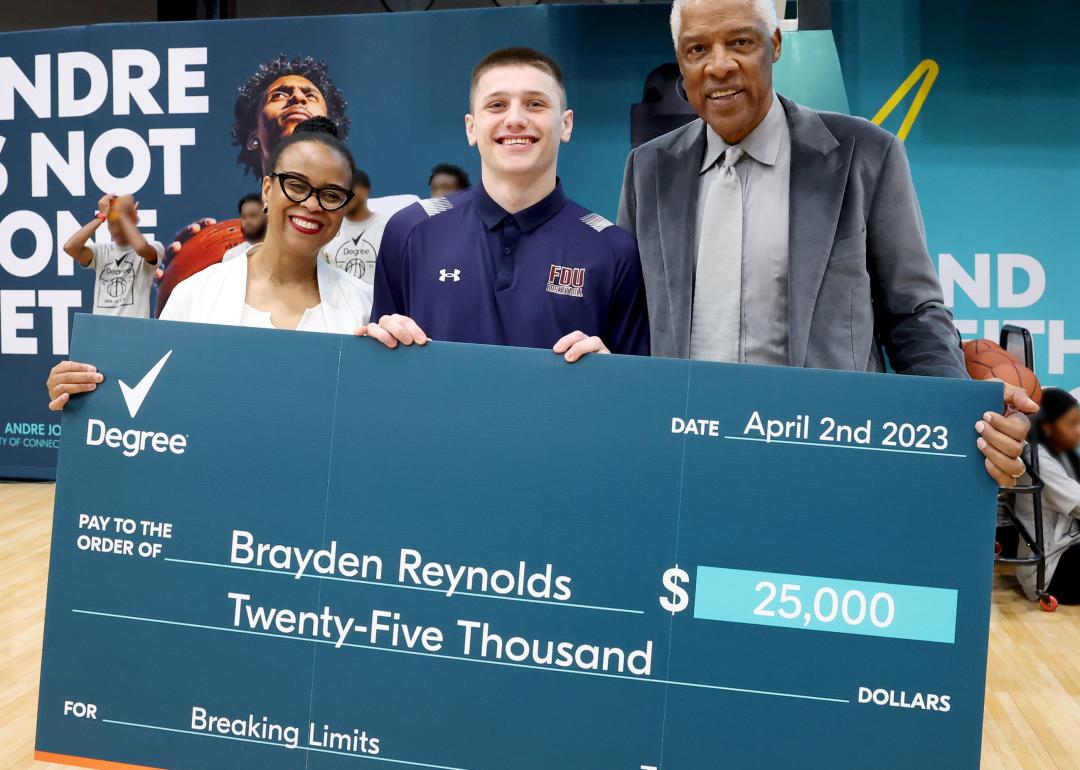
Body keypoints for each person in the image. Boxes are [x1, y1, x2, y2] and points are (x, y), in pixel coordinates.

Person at [617, 0, 1034, 485]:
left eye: (740, 42)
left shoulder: (866, 155)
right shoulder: (647, 170)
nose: (719, 65)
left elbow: (914, 315)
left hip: (827, 465)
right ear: (681, 64)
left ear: (774, 45)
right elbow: (628, 320)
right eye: (697, 49)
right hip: (686, 465)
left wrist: (962, 418)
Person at [46, 120, 373, 411]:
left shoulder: (366, 306)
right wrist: (84, 391)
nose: (312, 205)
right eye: (297, 186)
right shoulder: (194, 295)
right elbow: (147, 405)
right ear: (268, 189)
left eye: (331, 195)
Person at [362, 47, 648, 363]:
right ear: (471, 127)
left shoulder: (615, 250)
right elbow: (383, 375)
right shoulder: (410, 230)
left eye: (535, 104)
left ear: (566, 124)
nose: (515, 119)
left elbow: (636, 397)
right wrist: (380, 344)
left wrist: (614, 375)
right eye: (497, 105)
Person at [156, 54, 351, 283]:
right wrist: (178, 277)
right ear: (253, 138)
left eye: (310, 95)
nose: (297, 97)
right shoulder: (226, 257)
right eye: (279, 95)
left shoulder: (385, 227)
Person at [1015, 389, 1080, 604]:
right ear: (1048, 428)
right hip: (1051, 571)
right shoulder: (1037, 459)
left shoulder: (1060, 452)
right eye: (1072, 424)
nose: (1079, 431)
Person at [63, 194, 164, 319]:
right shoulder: (100, 251)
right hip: (102, 331)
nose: (115, 230)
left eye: (120, 224)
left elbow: (141, 248)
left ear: (131, 220)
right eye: (111, 224)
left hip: (134, 331)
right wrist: (101, 217)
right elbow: (70, 247)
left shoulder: (155, 247)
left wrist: (122, 214)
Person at [322, 169, 386, 284]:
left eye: (349, 190)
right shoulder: (327, 230)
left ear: (365, 191)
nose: (343, 196)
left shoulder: (388, 229)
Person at [221, 193, 268, 262]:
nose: (247, 221)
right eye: (244, 217)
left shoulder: (283, 248)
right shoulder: (231, 255)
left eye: (253, 215)